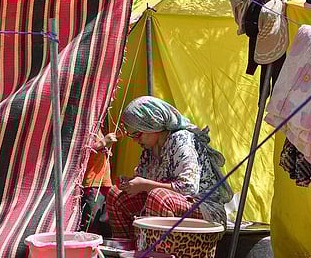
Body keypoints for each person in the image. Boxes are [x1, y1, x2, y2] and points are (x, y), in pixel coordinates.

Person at [106, 96, 233, 240]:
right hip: (168, 205)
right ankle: (128, 250)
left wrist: (144, 185)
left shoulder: (181, 140)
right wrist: (131, 183)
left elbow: (188, 188)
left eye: (137, 134)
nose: (135, 140)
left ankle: (158, 257)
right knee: (116, 195)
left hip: (205, 211)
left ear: (152, 125)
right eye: (131, 136)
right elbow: (143, 182)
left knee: (159, 197)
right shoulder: (149, 149)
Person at [80, 129, 117, 237]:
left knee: (105, 222)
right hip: (92, 183)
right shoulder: (85, 124)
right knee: (91, 222)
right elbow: (80, 151)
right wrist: (102, 143)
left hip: (104, 183)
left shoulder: (98, 128)